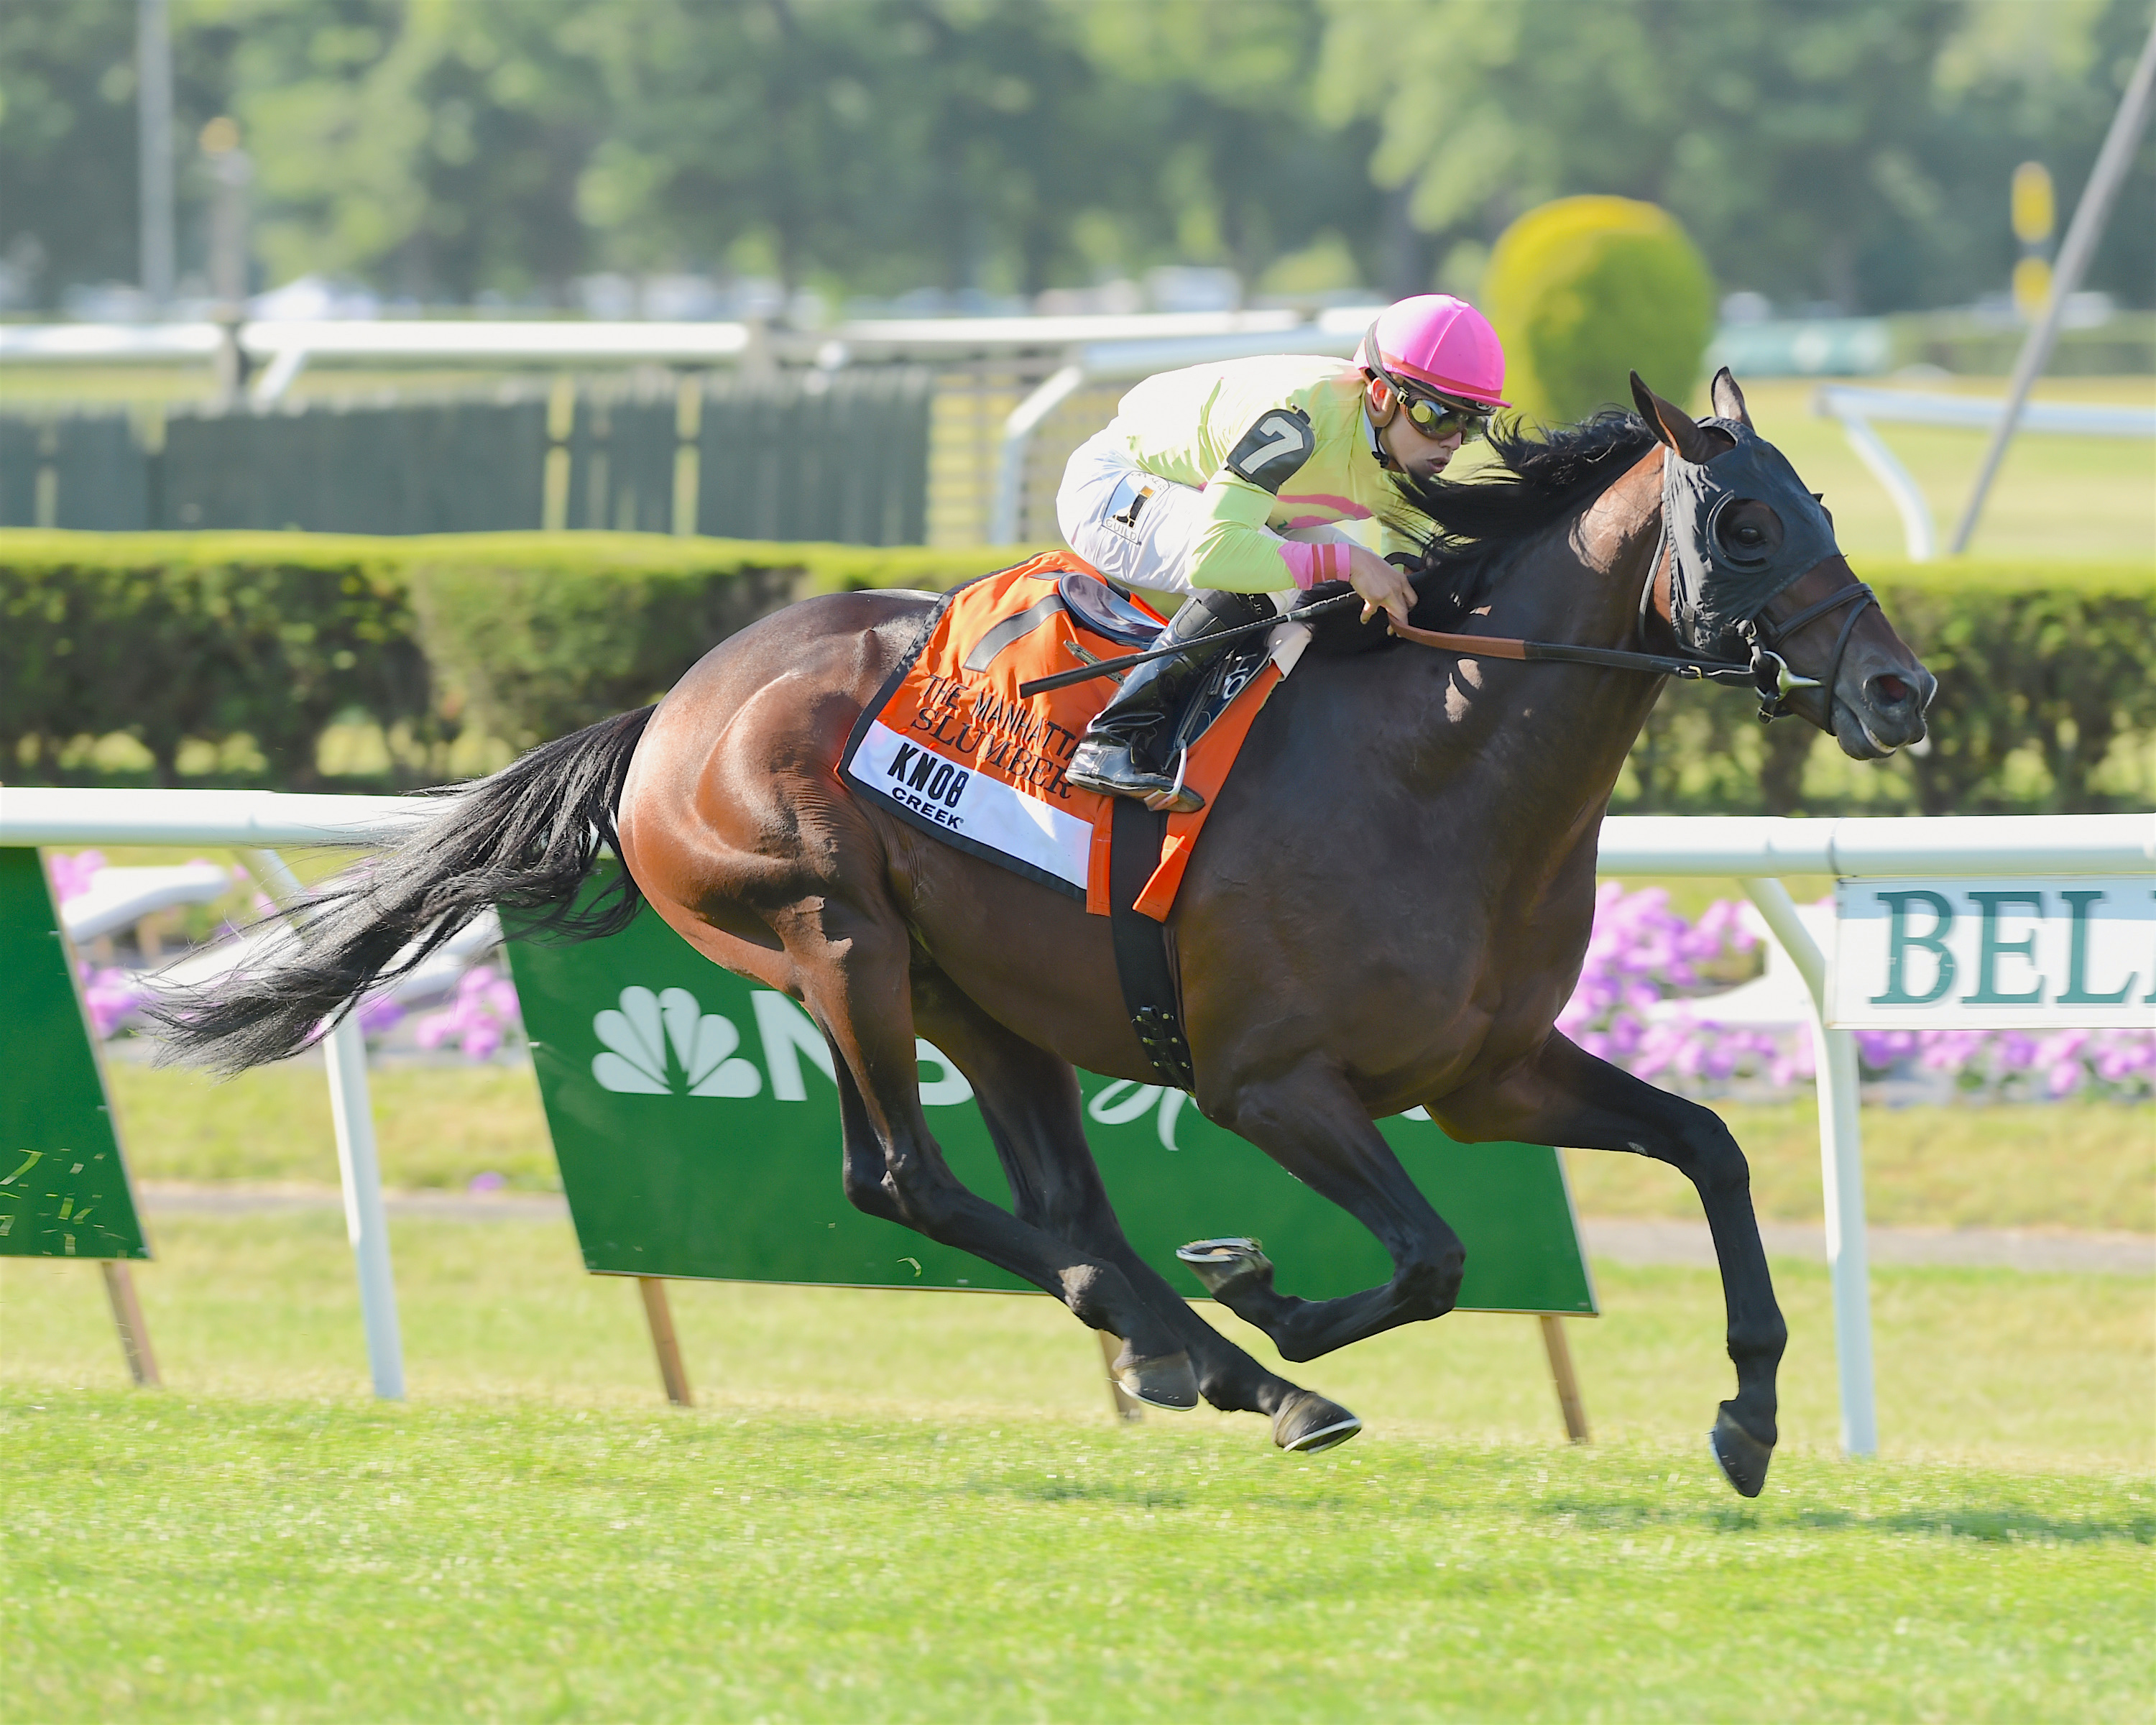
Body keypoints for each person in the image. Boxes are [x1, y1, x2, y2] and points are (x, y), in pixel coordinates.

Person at [1059, 293, 1508, 809]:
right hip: (1117, 486)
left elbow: (1412, 557)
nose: (1452, 442)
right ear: (1382, 396)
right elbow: (1217, 555)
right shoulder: (1298, 417)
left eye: (1472, 424)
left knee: (1345, 588)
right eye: (1436, 415)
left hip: (1217, 506)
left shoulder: (1405, 455)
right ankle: (1114, 737)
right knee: (1289, 574)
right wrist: (1351, 561)